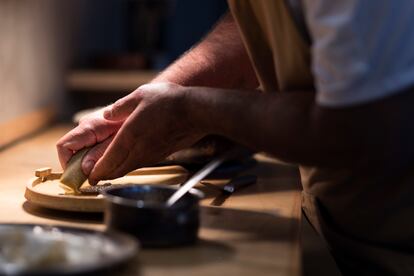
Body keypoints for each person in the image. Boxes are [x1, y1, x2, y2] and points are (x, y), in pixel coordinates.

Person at [57, 1, 414, 275]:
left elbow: (359, 127)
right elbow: (253, 31)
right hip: (344, 221)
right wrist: (152, 102)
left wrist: (192, 111)